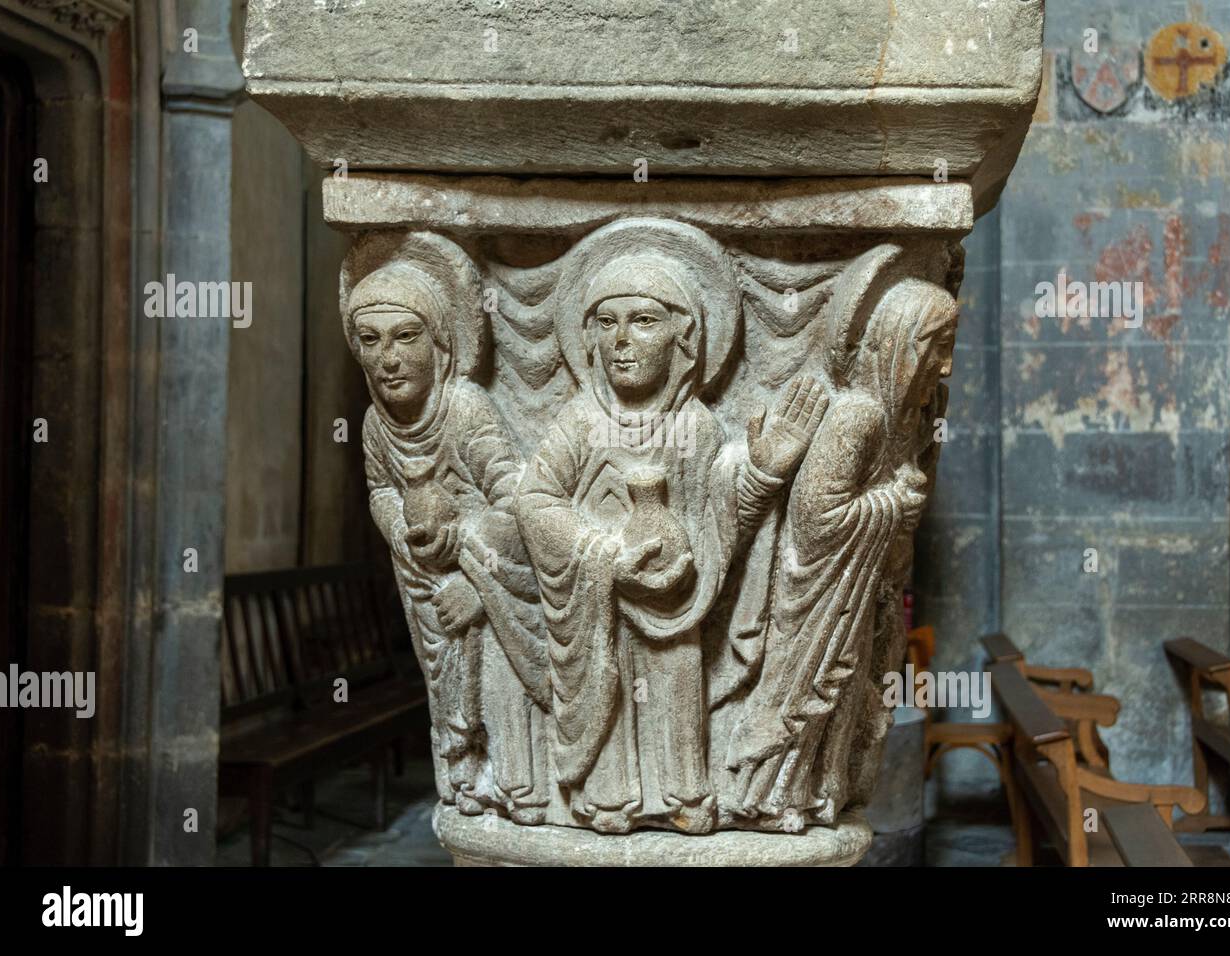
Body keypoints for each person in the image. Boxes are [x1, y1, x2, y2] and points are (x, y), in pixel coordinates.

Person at [517, 230, 825, 834]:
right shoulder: (580, 422)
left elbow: (718, 519)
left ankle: (686, 792)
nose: (621, 341)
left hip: (676, 604)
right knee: (611, 690)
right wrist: (602, 554)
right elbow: (534, 499)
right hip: (600, 601)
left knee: (675, 681)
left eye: (643, 321)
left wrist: (762, 470)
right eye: (605, 323)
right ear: (586, 338)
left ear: (684, 340)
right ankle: (609, 798)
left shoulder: (696, 426)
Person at [727, 272, 957, 831]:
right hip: (818, 600)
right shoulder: (858, 415)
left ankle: (816, 795)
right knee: (805, 699)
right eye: (937, 348)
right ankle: (766, 796)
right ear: (902, 343)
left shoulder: (908, 421)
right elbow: (814, 521)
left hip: (862, 597)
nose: (945, 367)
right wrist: (891, 502)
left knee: (847, 703)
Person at [349, 243, 550, 823]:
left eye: (405, 336)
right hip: (423, 587)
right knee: (446, 696)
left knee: (497, 691)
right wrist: (399, 528)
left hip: (490, 590)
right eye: (370, 340)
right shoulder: (373, 425)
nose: (387, 358)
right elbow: (380, 490)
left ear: (441, 346)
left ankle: (515, 788)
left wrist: (472, 566)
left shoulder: (465, 408)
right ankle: (466, 781)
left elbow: (518, 502)